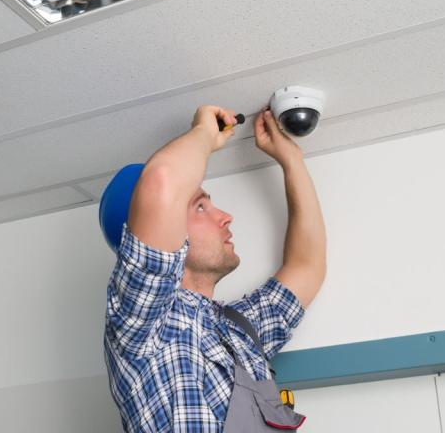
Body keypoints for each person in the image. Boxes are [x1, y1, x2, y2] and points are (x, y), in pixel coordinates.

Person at [101, 105, 327, 432]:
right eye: (201, 206)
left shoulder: (238, 332)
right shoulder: (142, 326)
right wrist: (204, 133)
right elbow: (161, 181)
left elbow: (307, 267)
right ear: (161, 224)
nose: (224, 216)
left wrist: (292, 161)